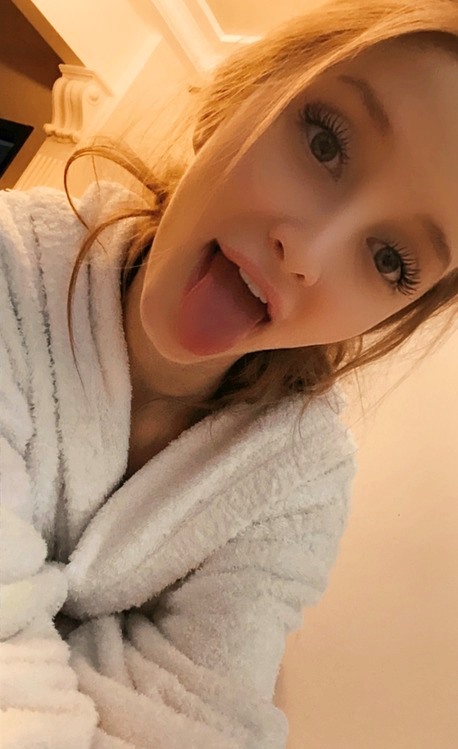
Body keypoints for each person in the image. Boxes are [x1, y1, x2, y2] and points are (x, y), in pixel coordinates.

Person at [1, 0, 457, 746]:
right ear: (234, 98)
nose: (306, 254)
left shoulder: (300, 476)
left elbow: (205, 728)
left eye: (389, 260)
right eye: (324, 141)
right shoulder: (8, 265)